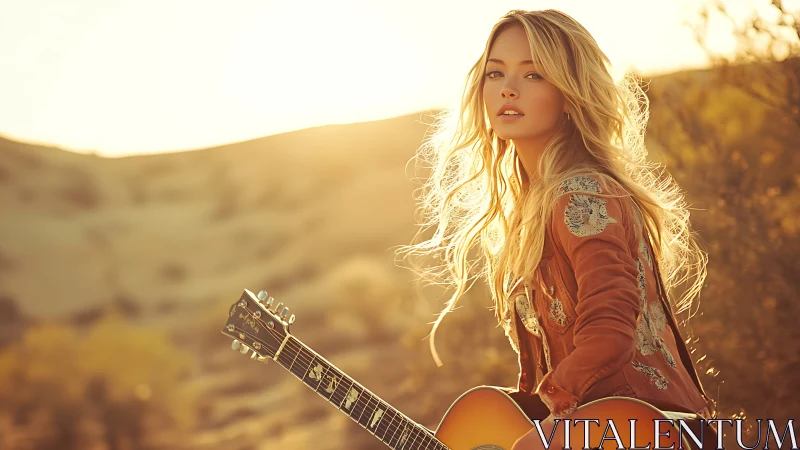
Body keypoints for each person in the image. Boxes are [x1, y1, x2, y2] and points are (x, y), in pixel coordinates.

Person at [395, 9, 720, 450]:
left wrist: (549, 408)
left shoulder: (580, 194)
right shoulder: (535, 209)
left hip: (640, 429)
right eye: (496, 73)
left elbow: (609, 331)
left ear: (569, 94)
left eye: (533, 75)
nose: (508, 87)